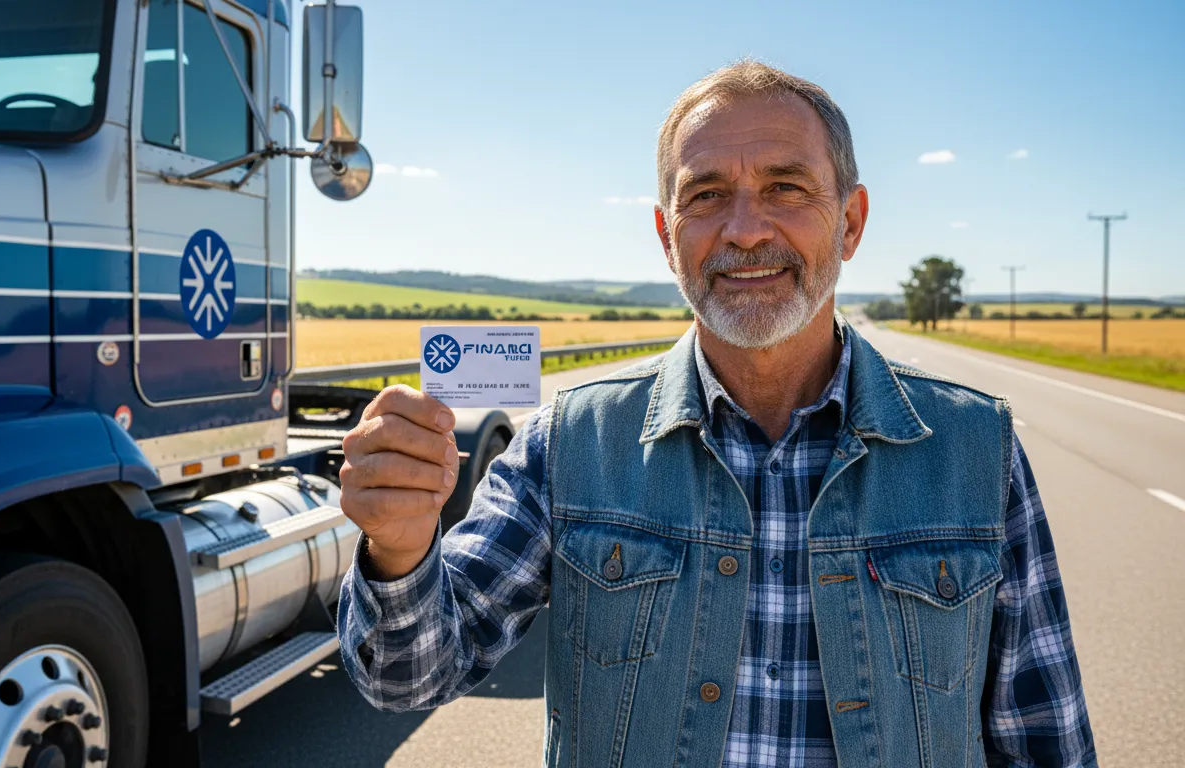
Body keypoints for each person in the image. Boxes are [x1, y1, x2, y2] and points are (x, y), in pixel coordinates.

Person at [334, 59, 1097, 767]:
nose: (745, 229)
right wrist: (400, 550)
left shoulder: (974, 450)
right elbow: (406, 681)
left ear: (851, 223)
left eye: (786, 187)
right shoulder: (571, 445)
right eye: (705, 196)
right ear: (669, 239)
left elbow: (1045, 740)